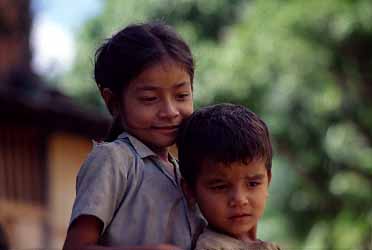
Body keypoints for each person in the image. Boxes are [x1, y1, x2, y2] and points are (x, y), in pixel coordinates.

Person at [63, 22, 203, 250]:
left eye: (181, 95)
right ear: (113, 102)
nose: (170, 111)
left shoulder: (187, 172)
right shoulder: (113, 160)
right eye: (149, 99)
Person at [177, 103, 281, 250]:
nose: (239, 200)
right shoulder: (212, 246)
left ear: (268, 180)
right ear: (190, 191)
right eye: (220, 187)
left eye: (253, 184)